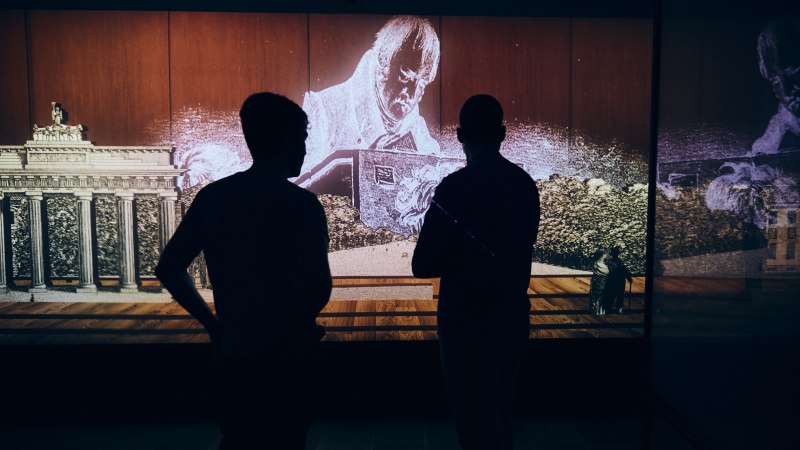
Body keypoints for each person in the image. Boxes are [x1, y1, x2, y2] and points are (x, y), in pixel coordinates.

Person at [155, 92, 332, 450]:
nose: (304, 147)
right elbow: (318, 287)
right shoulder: (301, 205)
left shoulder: (214, 198)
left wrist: (214, 327)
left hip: (235, 356)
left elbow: (170, 268)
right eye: (302, 138)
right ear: (287, 140)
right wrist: (298, 325)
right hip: (289, 362)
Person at [412, 94, 540, 450]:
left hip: (464, 322)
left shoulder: (454, 188)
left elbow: (422, 265)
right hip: (511, 317)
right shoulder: (524, 185)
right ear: (502, 134)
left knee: (473, 421)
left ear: (458, 134)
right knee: (500, 414)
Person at [301, 15, 441, 173]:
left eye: (422, 82)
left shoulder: (418, 132)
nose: (412, 93)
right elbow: (300, 185)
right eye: (405, 77)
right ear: (383, 63)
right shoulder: (323, 110)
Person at [750, 18, 800, 156]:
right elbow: (762, 149)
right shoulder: (787, 116)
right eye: (775, 82)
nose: (786, 92)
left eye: (796, 78)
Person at [601, 246, 633, 315]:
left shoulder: (609, 262)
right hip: (619, 282)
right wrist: (629, 278)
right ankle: (618, 310)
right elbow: (625, 271)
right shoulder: (620, 262)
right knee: (619, 297)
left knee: (611, 297)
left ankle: (608, 310)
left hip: (611, 283)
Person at [589, 250, 609, 315]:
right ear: (602, 256)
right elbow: (606, 272)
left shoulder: (595, 264)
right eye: (604, 255)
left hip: (597, 281)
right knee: (599, 296)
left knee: (596, 296)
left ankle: (595, 311)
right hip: (601, 282)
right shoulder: (600, 265)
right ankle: (598, 311)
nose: (606, 256)